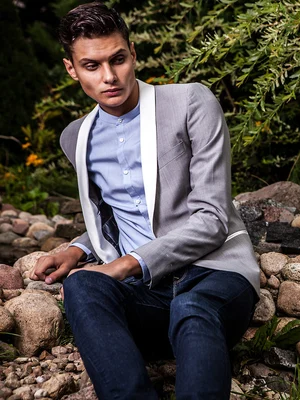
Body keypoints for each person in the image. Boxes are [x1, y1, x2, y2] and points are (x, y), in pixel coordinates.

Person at [29, 3, 260, 399]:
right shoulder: (76, 138)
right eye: (91, 66)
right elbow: (124, 209)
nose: (109, 77)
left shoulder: (190, 103)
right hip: (147, 295)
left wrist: (123, 264)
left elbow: (212, 219)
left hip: (214, 273)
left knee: (192, 308)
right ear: (71, 69)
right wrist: (79, 248)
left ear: (133, 53)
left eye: (117, 59)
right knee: (82, 286)